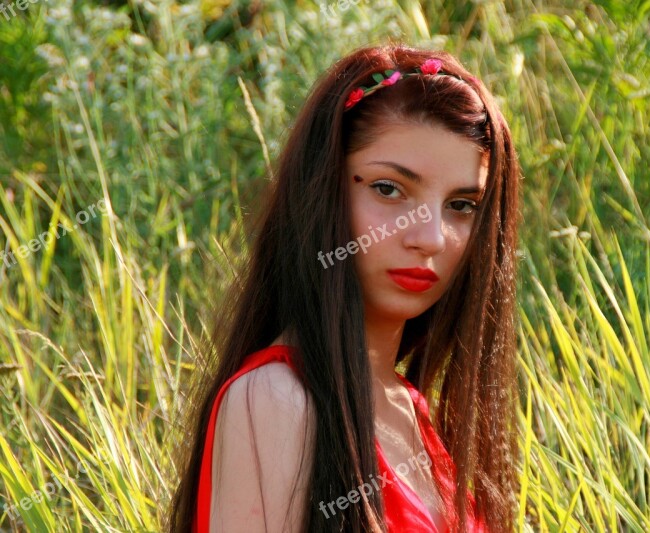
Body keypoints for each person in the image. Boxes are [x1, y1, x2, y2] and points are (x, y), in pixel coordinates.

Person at [168, 43, 521, 532]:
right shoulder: (276, 399)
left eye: (461, 205)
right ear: (322, 192)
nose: (430, 237)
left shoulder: (413, 409)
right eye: (388, 189)